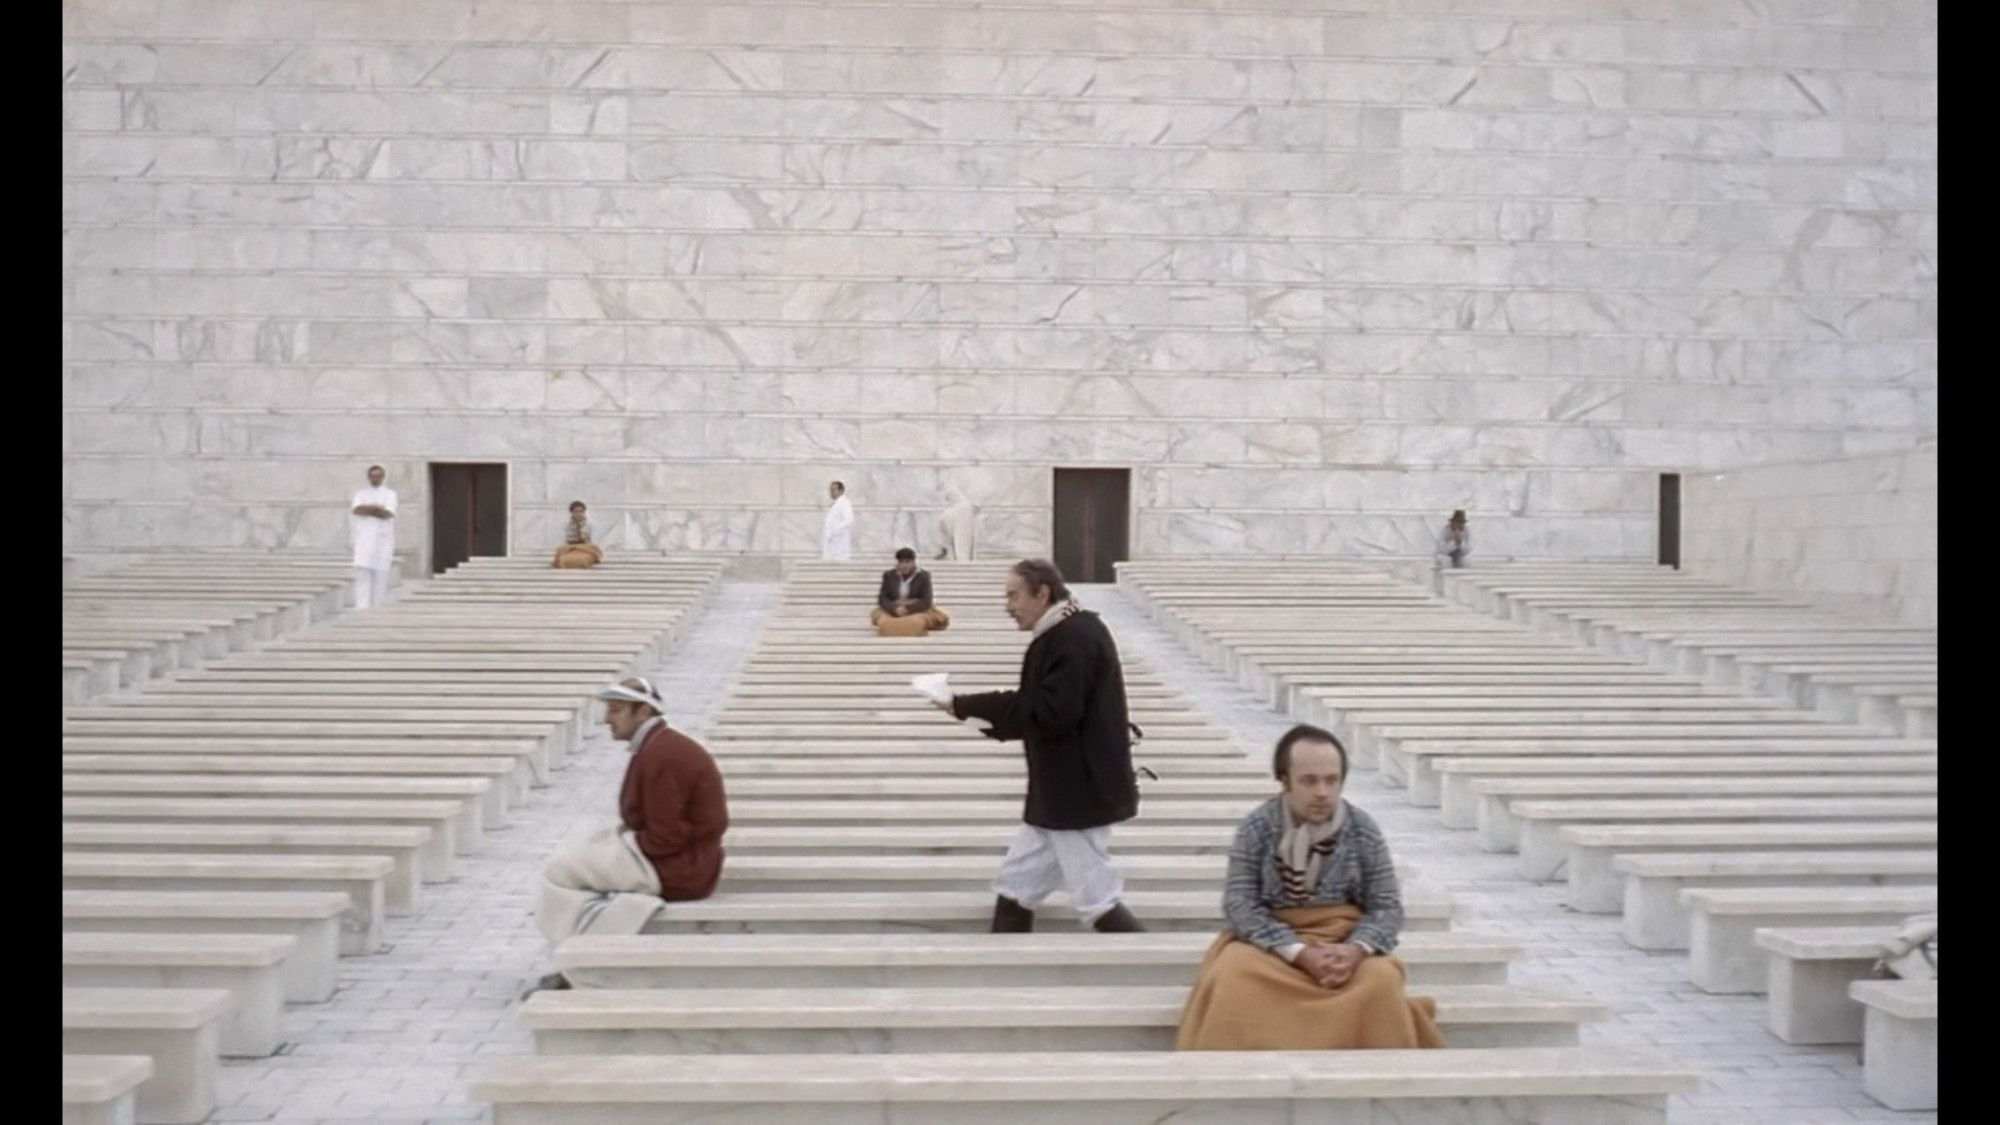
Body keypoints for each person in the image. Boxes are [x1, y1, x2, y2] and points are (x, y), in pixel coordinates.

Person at [1175, 724, 1444, 1051]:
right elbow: (1240, 905)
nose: (1322, 792)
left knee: (1382, 979)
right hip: (1273, 948)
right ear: (1284, 779)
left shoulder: (1362, 829)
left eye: (1331, 780)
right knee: (1234, 975)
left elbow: (1386, 906)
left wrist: (1354, 951)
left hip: (1342, 943)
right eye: (1309, 780)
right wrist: (1299, 953)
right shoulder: (1256, 828)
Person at [936, 559, 1145, 933]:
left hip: (1076, 796)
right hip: (1060, 796)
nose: (1008, 605)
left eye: (1013, 595)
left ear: (1042, 593)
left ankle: (1159, 973)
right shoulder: (1063, 633)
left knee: (1098, 903)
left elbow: (1051, 712)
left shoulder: (1075, 637)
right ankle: (1002, 984)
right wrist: (968, 710)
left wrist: (965, 705)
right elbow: (1041, 709)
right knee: (1015, 890)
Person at [528, 676, 730, 994]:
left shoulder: (663, 755)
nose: (608, 719)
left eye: (617, 710)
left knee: (561, 872)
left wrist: (625, 848)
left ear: (643, 713)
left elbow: (666, 838)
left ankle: (579, 969)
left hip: (679, 868)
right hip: (680, 859)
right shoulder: (660, 747)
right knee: (584, 851)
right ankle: (578, 963)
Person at [349, 464, 397, 609]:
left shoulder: (390, 494)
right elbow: (357, 509)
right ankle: (361, 610)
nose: (375, 479)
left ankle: (377, 610)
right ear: (369, 477)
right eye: (373, 476)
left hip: (382, 543)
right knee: (363, 578)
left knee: (380, 579)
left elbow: (387, 513)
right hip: (364, 542)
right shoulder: (361, 494)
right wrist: (377, 508)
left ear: (383, 477)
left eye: (378, 476)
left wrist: (369, 509)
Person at [872, 548, 951, 636]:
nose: (904, 565)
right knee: (883, 621)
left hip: (916, 610)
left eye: (907, 562)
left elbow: (926, 601)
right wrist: (895, 608)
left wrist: (907, 609)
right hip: (894, 609)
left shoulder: (923, 576)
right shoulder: (889, 576)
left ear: (913, 562)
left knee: (916, 622)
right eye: (901, 562)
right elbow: (883, 599)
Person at [552, 500, 604, 569]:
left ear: (584, 512)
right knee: (562, 558)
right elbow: (563, 540)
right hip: (570, 549)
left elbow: (593, 541)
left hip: (586, 549)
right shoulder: (566, 525)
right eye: (576, 511)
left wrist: (582, 530)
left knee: (583, 559)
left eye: (581, 511)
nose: (578, 514)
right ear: (571, 513)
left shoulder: (590, 525)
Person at [935, 487, 975, 561]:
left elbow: (943, 525)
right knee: (964, 552)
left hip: (955, 536)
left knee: (959, 551)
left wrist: (942, 546)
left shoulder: (950, 510)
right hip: (966, 535)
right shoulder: (966, 506)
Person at [821, 480, 854, 560]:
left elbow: (849, 520)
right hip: (833, 544)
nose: (831, 492)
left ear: (841, 491)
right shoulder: (836, 503)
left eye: (834, 489)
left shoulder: (844, 502)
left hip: (839, 545)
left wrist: (835, 531)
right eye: (830, 490)